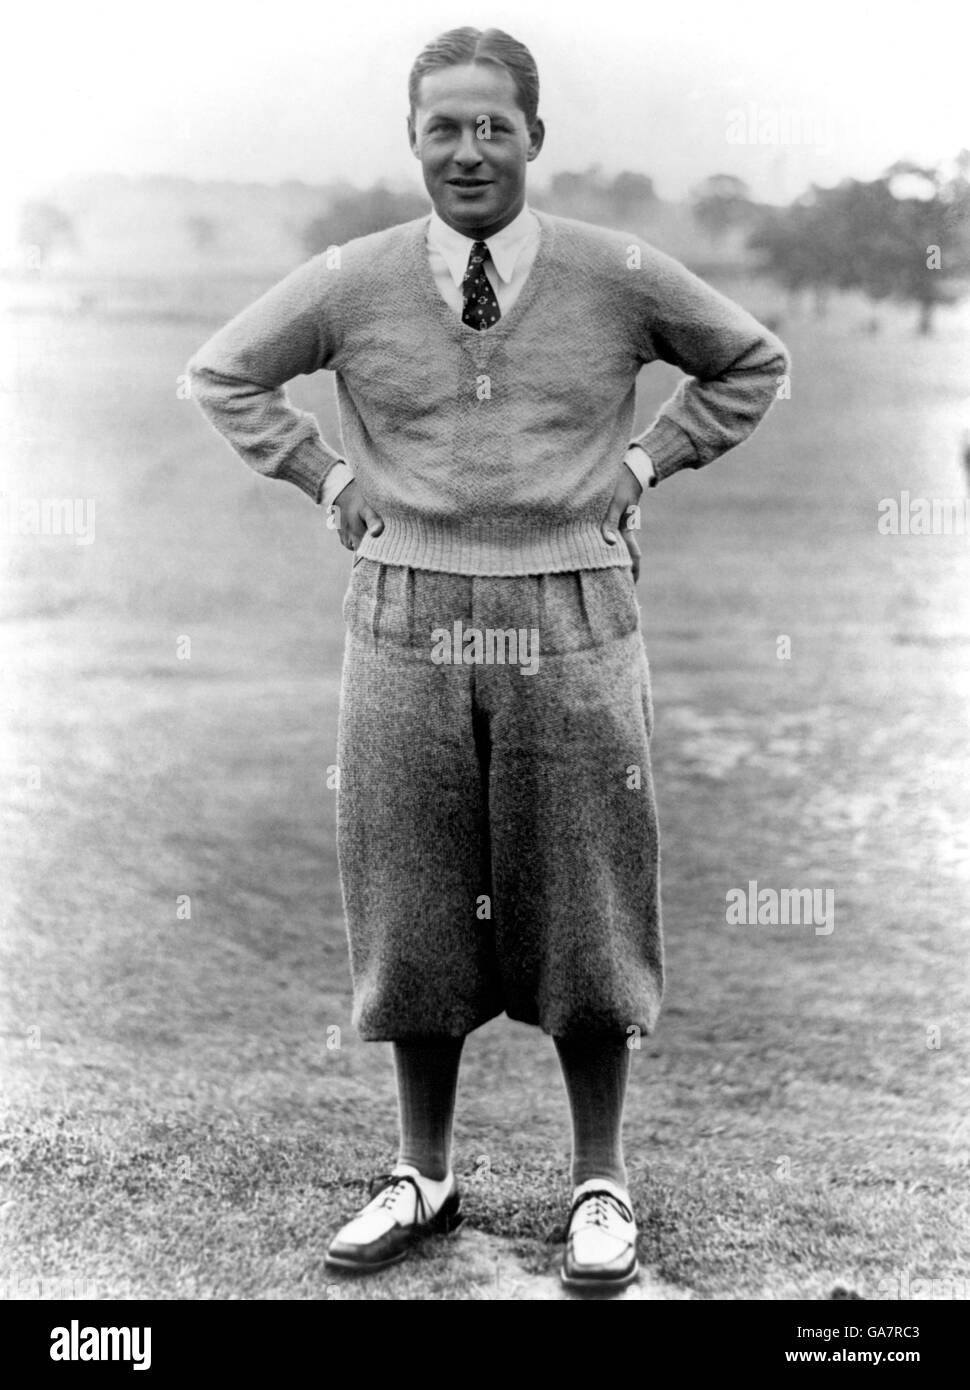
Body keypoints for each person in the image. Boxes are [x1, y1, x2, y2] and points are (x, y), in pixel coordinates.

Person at [187, 25, 789, 1292]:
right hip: (402, 616)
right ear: (414, 140)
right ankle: (425, 1172)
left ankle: (600, 1183)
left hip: (572, 615)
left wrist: (643, 463)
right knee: (412, 898)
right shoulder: (352, 278)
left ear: (533, 137)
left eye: (491, 126)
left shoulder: (612, 271)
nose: (467, 151)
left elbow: (750, 359)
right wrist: (327, 475)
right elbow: (224, 371)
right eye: (442, 128)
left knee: (587, 898)